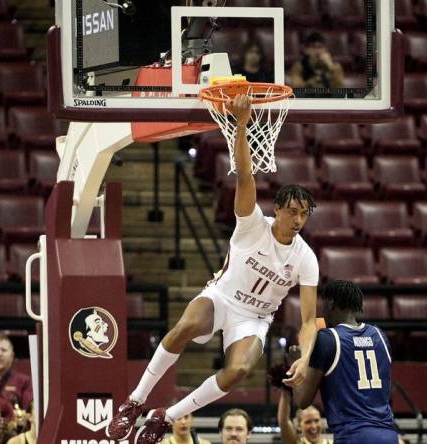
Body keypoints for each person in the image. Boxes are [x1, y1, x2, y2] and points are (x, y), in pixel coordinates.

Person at [108, 95, 320, 444]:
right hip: (221, 297)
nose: (298, 220)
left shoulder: (306, 257)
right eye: (293, 211)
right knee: (186, 325)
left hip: (254, 318)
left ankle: (166, 417)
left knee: (238, 370)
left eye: (304, 214)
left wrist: (306, 355)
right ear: (279, 209)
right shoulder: (253, 225)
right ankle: (135, 402)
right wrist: (239, 125)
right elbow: (245, 173)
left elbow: (310, 319)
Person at [292, 280, 397, 444]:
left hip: (353, 435)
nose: (322, 310)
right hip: (388, 434)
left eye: (323, 305)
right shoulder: (380, 335)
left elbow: (302, 400)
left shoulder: (327, 338)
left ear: (331, 303)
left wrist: (296, 363)